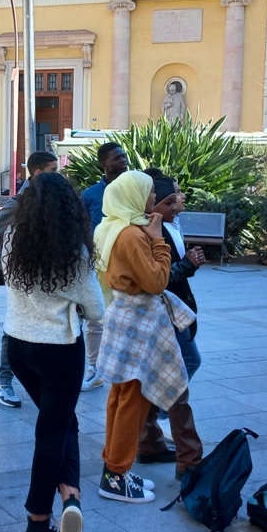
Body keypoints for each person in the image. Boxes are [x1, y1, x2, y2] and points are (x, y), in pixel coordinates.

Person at [2, 172, 104, 532]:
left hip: (18, 347)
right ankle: (37, 525)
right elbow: (96, 309)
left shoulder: (13, 238)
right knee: (52, 431)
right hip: (60, 350)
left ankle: (70, 497)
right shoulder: (73, 251)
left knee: (61, 424)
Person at [93, 170, 194, 504]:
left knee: (120, 398)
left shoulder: (111, 226)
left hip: (123, 316)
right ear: (135, 196)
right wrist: (158, 241)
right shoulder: (133, 235)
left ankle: (114, 468)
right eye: (150, 192)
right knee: (131, 403)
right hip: (137, 321)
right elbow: (156, 282)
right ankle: (116, 475)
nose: (153, 198)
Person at [136, 174, 207, 475]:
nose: (177, 202)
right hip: (161, 314)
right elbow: (157, 280)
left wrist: (188, 263)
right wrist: (186, 264)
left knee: (170, 379)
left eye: (175, 196)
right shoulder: (145, 231)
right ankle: (188, 461)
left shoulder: (163, 226)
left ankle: (149, 442)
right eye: (168, 199)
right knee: (178, 378)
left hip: (169, 311)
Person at [0, 151, 59, 409]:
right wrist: (8, 267)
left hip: (47, 277)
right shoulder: (20, 201)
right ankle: (4, 383)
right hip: (22, 278)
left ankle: (38, 377)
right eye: (53, 170)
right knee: (14, 326)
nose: (57, 175)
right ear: (38, 173)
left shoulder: (51, 198)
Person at [78, 142, 130, 391]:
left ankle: (124, 368)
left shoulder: (133, 190)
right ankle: (95, 368)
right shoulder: (90, 195)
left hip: (127, 266)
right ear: (104, 164)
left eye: (124, 156)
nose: (123, 160)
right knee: (96, 319)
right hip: (96, 266)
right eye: (117, 157)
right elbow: (80, 229)